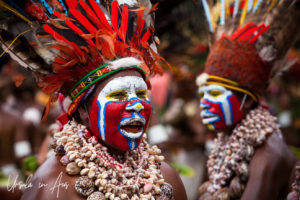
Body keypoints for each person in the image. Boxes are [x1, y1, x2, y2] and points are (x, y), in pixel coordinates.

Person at [0, 0, 187, 199]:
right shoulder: (53, 184)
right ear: (83, 109)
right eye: (118, 95)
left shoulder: (165, 176)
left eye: (141, 94)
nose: (137, 105)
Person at [196, 0, 300, 199]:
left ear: (249, 101)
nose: (204, 103)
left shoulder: (268, 155)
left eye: (215, 94)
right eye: (202, 94)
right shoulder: (224, 147)